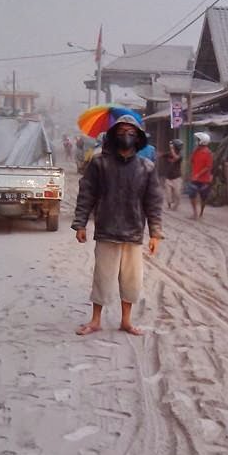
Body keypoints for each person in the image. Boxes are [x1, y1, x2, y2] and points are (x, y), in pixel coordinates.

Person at [72, 114, 163, 337]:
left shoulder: (146, 167)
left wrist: (155, 232)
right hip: (106, 230)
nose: (126, 135)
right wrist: (80, 223)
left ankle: (126, 321)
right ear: (113, 135)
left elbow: (153, 202)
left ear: (138, 137)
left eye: (131, 132)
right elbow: (87, 194)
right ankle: (95, 320)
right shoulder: (99, 163)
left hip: (133, 233)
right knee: (103, 277)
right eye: (121, 131)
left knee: (131, 280)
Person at [188, 132, 213, 219]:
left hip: (204, 180)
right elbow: (191, 161)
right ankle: (195, 213)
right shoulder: (196, 151)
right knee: (191, 195)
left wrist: (198, 174)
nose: (196, 141)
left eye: (198, 140)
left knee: (203, 198)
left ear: (202, 141)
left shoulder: (208, 153)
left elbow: (208, 167)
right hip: (194, 178)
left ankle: (201, 213)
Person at [161, 139, 184, 209]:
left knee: (177, 194)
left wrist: (171, 149)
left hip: (177, 177)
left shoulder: (180, 154)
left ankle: (175, 206)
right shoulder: (169, 153)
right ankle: (169, 205)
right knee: (168, 194)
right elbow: (161, 155)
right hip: (168, 177)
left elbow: (176, 158)